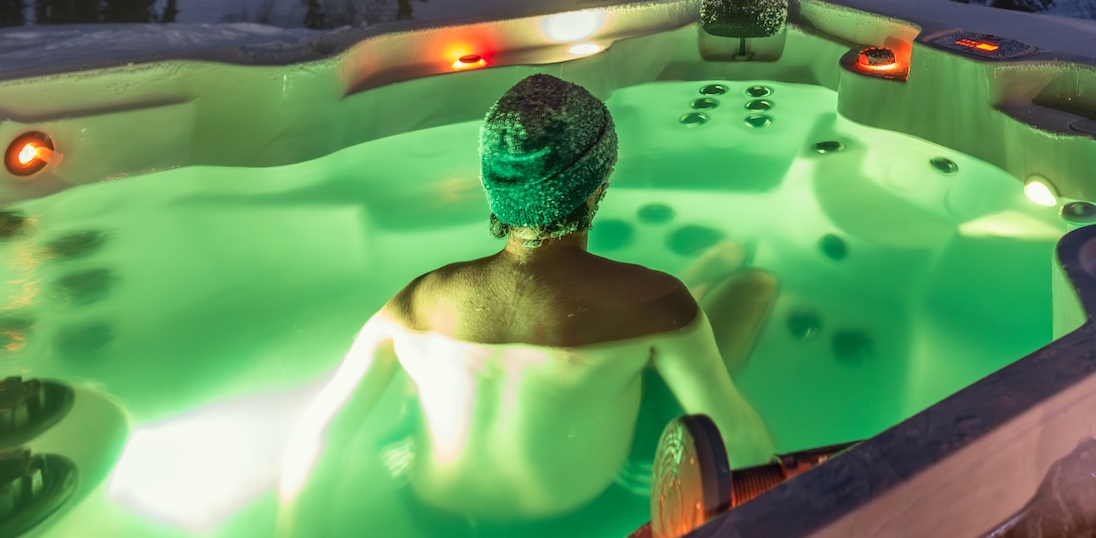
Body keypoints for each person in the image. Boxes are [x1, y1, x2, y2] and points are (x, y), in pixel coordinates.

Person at [280, 75, 776, 530]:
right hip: (584, 518)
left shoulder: (415, 301)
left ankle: (702, 277)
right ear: (597, 187)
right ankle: (707, 279)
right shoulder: (657, 302)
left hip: (432, 516)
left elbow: (318, 433)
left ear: (494, 190)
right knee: (749, 290)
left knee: (430, 387)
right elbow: (737, 437)